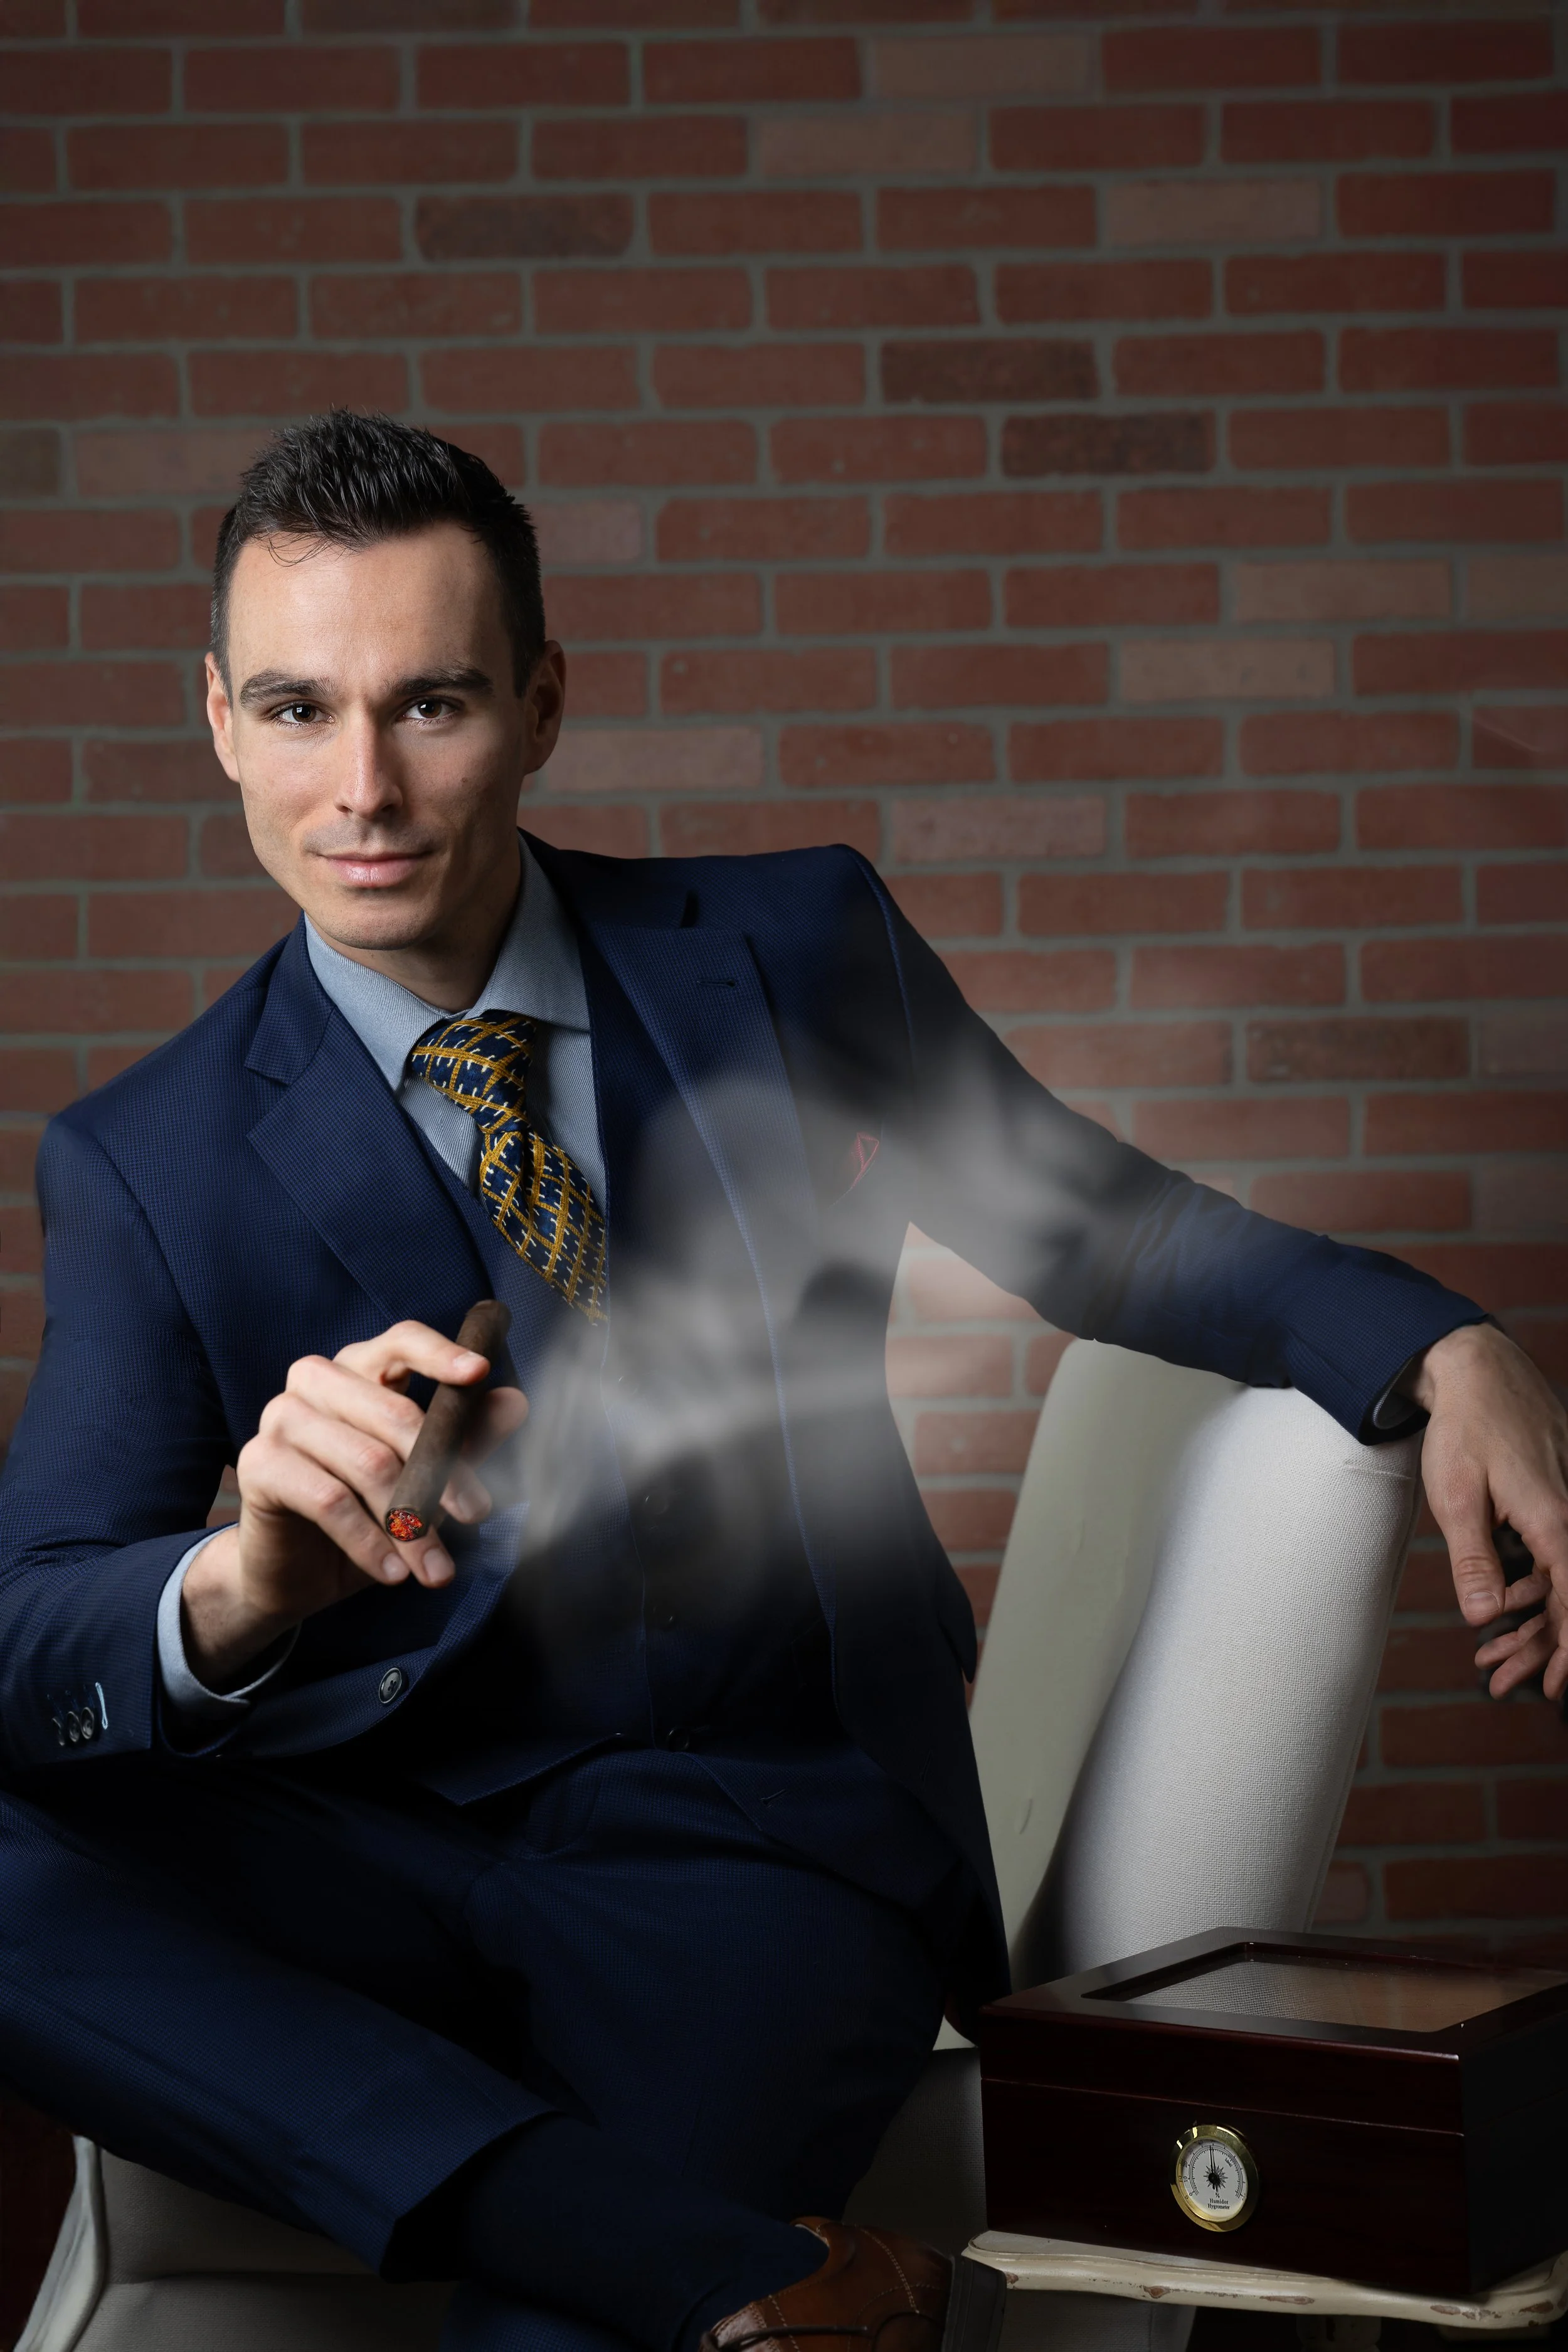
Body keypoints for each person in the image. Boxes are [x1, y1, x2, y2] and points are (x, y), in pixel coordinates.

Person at [1, 411, 1564, 2352]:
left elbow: (1105, 1231)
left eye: (433, 704)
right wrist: (236, 1585)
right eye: (302, 711)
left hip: (750, 1840)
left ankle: (614, 2256)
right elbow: (31, 1630)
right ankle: (732, 2268)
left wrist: (1440, 1340)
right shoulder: (148, 1160)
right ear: (220, 718)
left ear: (545, 702)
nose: (365, 788)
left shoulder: (789, 944)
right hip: (377, 1844)